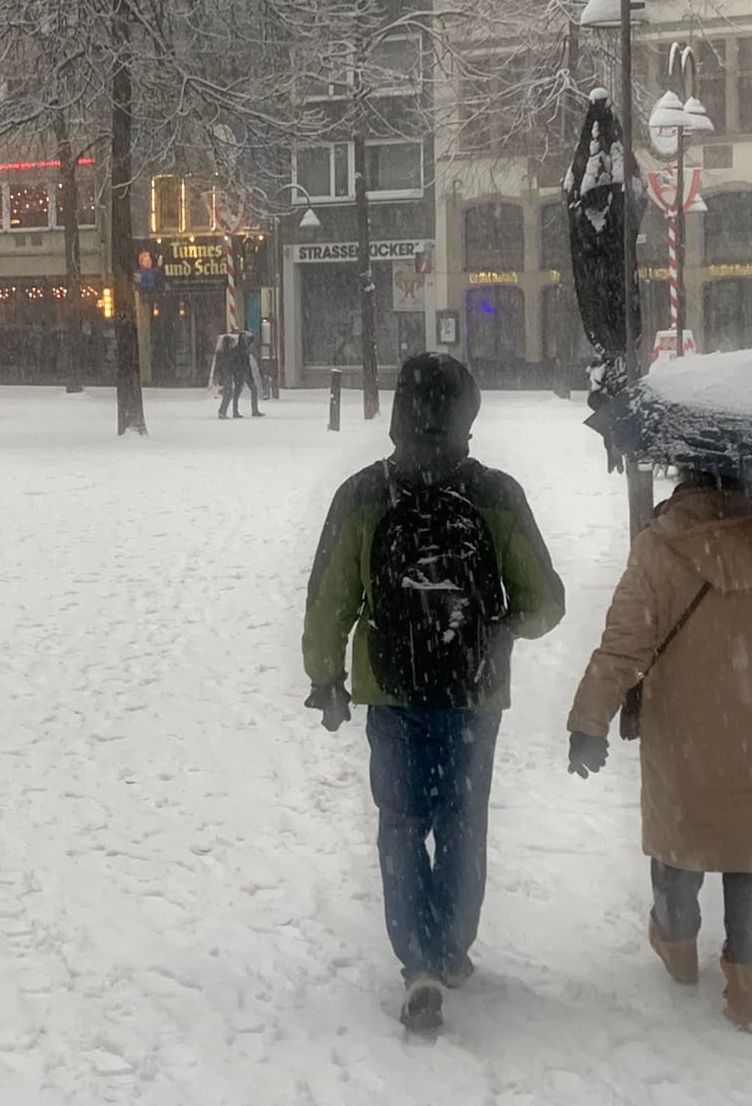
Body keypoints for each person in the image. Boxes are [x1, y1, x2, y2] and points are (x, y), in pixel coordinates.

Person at [302, 353, 566, 1034]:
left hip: (391, 689)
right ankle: (451, 949)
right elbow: (548, 601)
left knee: (399, 822)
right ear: (467, 414)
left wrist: (326, 676)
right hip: (472, 694)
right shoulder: (496, 494)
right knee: (461, 822)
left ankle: (415, 958)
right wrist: (500, 629)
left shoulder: (362, 494)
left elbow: (330, 599)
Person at [565, 470, 752, 1039]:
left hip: (684, 725)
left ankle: (677, 938)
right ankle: (746, 979)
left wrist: (590, 719)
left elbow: (624, 645)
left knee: (679, 835)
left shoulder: (659, 546)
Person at [210, 331, 242, 419]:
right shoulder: (228, 354)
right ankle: (222, 410)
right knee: (229, 393)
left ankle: (222, 410)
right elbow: (229, 365)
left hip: (225, 374)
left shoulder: (222, 353)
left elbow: (218, 366)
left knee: (228, 393)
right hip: (226, 375)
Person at [235, 328, 265, 417]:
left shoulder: (244, 348)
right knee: (238, 392)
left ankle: (254, 410)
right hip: (241, 373)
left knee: (252, 390)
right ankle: (236, 411)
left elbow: (252, 339)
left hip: (246, 373)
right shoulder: (240, 349)